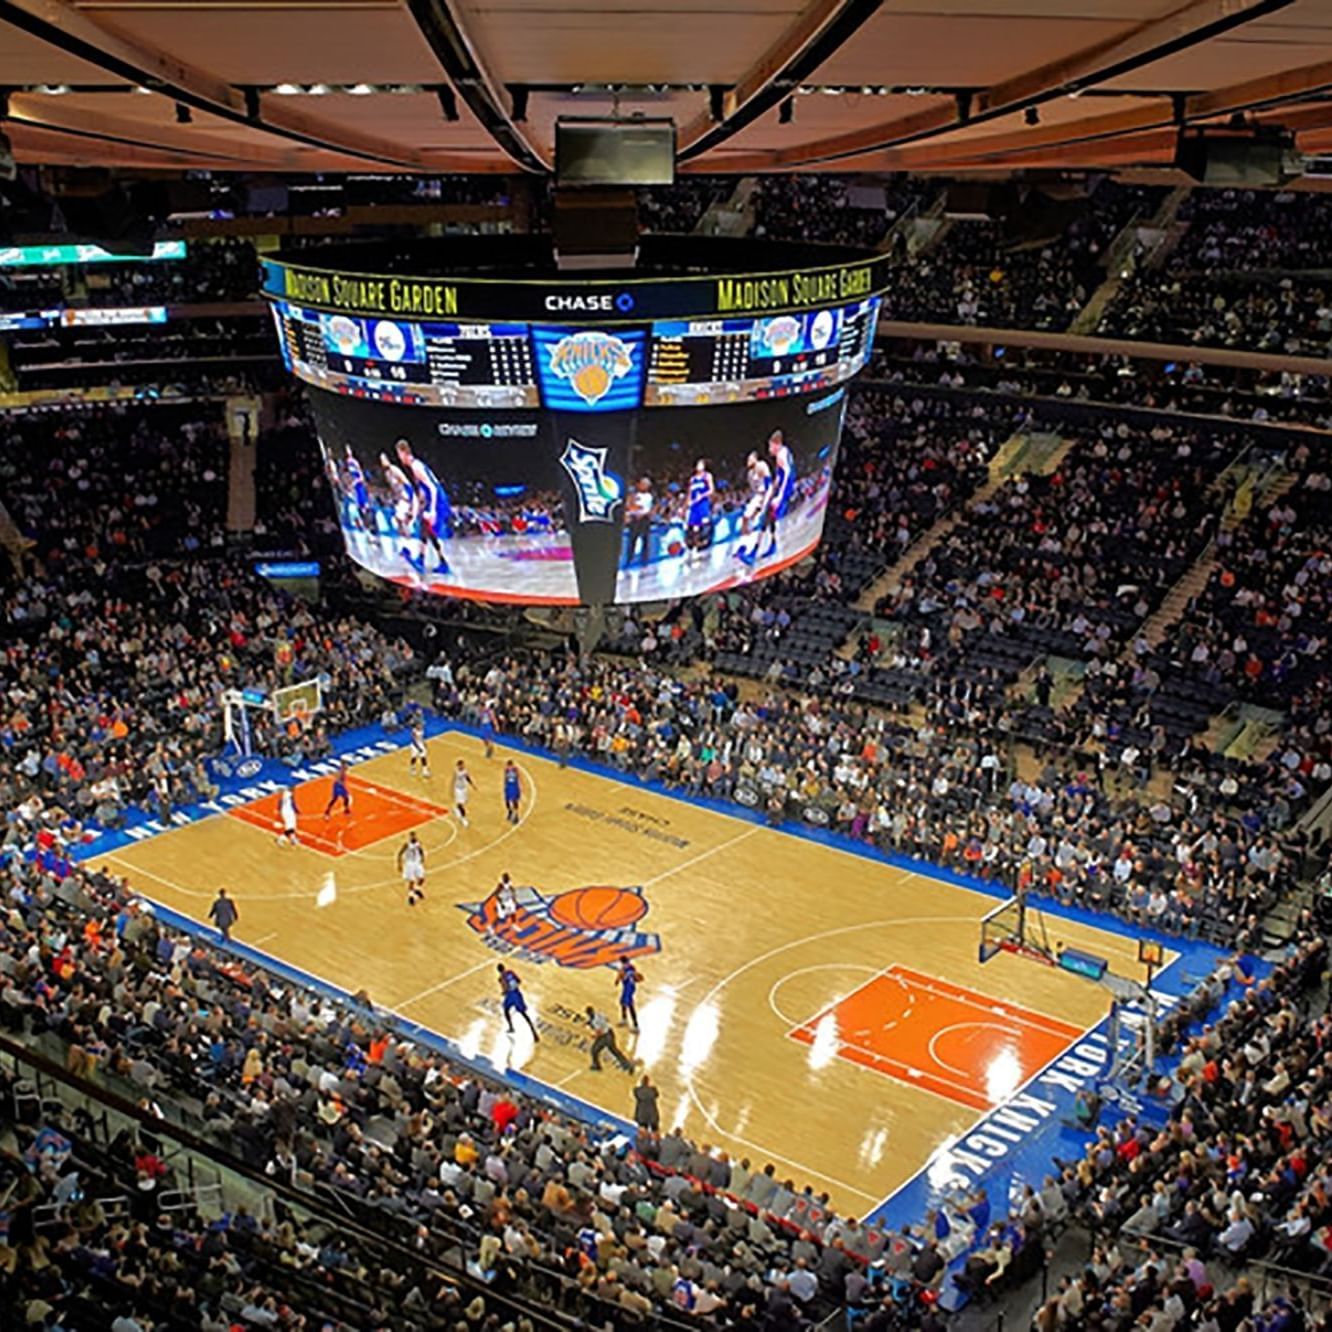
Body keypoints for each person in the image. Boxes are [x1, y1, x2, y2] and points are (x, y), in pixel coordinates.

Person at [395, 436, 452, 577]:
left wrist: (432, 510)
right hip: (434, 498)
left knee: (425, 527)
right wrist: (417, 509)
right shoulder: (416, 466)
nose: (399, 458)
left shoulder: (416, 467)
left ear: (403, 452)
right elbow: (422, 490)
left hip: (437, 499)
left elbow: (432, 487)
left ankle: (421, 560)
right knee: (427, 530)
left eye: (399, 454)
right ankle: (441, 563)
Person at [761, 429, 796, 560]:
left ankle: (776, 546)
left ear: (776, 444)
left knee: (775, 517)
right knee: (773, 516)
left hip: (786, 488)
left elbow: (786, 474)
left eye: (770, 445)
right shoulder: (785, 451)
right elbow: (781, 473)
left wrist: (780, 495)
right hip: (785, 486)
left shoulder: (780, 456)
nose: (769, 448)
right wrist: (775, 484)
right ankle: (774, 543)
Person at [736, 449, 771, 565]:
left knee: (763, 524)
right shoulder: (749, 474)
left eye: (750, 459)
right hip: (757, 496)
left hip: (764, 495)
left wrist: (766, 500)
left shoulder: (761, 466)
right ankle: (744, 545)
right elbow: (753, 489)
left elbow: (768, 484)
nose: (748, 461)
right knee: (746, 518)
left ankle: (753, 550)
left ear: (755, 458)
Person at [586, 1005, 634, 1073]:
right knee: (615, 1051)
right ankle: (627, 1065)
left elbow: (599, 1032)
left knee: (594, 1050)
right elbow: (607, 1019)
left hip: (604, 1037)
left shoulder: (595, 1022)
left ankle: (597, 1066)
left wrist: (594, 1036)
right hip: (610, 1033)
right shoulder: (600, 1014)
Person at [497, 963, 539, 1040]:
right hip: (517, 994)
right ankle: (534, 1032)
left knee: (506, 1011)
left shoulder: (501, 978)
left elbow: (505, 988)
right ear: (504, 968)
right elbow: (519, 981)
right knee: (524, 1014)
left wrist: (504, 992)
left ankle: (511, 1027)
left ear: (499, 971)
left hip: (510, 996)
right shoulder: (510, 972)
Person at [685, 457, 715, 561]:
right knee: (693, 528)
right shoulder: (692, 479)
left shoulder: (707, 476)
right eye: (698, 464)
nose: (699, 466)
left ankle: (704, 545)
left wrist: (702, 496)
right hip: (694, 505)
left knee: (705, 526)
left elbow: (711, 490)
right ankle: (694, 548)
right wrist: (687, 503)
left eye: (701, 464)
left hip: (703, 504)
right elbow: (689, 493)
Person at [624, 477, 654, 568]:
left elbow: (648, 509)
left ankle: (645, 560)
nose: (642, 486)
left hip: (644, 519)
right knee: (632, 539)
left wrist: (643, 512)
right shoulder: (634, 495)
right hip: (634, 519)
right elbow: (629, 506)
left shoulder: (649, 496)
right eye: (641, 484)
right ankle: (629, 559)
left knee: (645, 539)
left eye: (645, 485)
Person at [398, 830, 426, 907]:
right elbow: (400, 853)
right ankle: (411, 897)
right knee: (412, 881)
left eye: (414, 836)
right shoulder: (406, 844)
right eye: (412, 836)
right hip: (409, 864)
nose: (413, 837)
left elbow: (421, 850)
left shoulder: (418, 843)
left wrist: (422, 858)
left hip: (417, 863)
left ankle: (417, 889)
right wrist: (399, 864)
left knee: (422, 878)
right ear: (410, 837)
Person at [616, 959, 641, 1031]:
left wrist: (617, 980)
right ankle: (624, 1019)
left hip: (628, 989)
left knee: (630, 1006)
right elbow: (636, 976)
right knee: (622, 1003)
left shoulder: (623, 969)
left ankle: (636, 1026)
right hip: (630, 987)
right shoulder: (631, 967)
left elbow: (619, 976)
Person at [453, 758, 476, 827]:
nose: (463, 766)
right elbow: (464, 776)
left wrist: (472, 785)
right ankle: (463, 819)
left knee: (463, 802)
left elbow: (467, 777)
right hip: (458, 790)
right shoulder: (457, 772)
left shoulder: (465, 771)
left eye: (463, 765)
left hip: (464, 789)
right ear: (458, 766)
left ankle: (456, 808)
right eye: (461, 765)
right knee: (461, 804)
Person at [502, 759, 522, 824]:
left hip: (514, 787)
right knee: (506, 801)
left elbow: (518, 778)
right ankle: (510, 811)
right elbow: (505, 778)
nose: (509, 767)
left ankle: (516, 815)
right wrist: (505, 786)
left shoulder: (515, 769)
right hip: (509, 787)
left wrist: (519, 788)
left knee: (514, 801)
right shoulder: (506, 770)